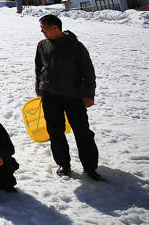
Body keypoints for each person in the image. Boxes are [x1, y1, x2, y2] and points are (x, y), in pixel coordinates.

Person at [36, 14, 103, 180]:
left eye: (44, 27)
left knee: (82, 131)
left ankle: (90, 167)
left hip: (73, 95)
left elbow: (88, 72)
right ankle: (63, 164)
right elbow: (39, 68)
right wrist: (38, 87)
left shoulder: (75, 46)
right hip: (49, 95)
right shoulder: (42, 45)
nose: (41, 31)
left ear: (54, 27)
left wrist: (88, 94)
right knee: (55, 130)